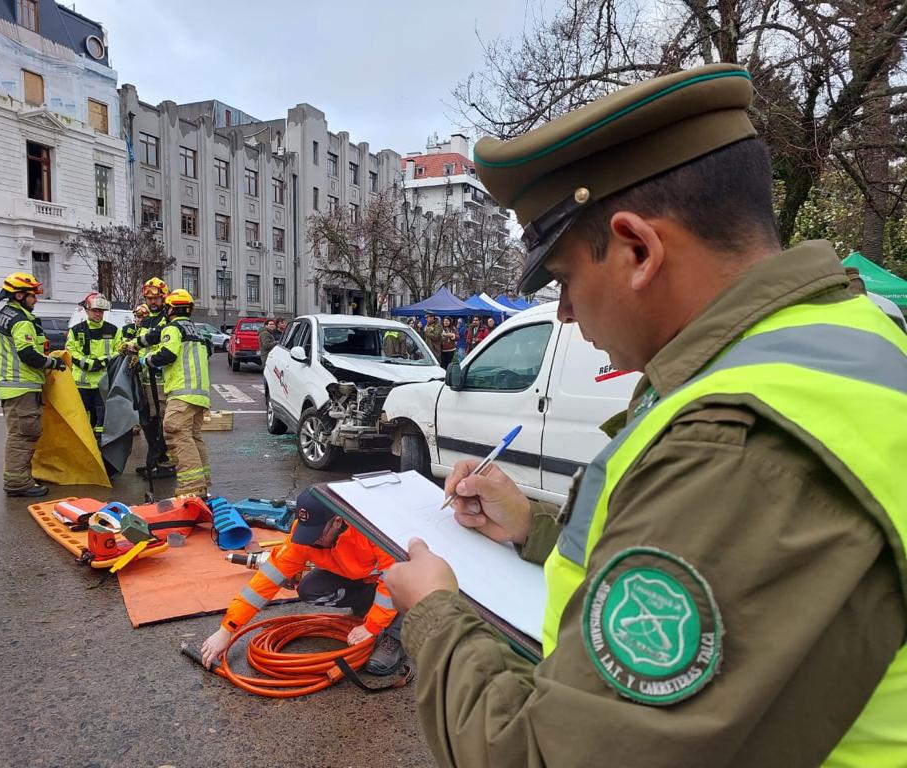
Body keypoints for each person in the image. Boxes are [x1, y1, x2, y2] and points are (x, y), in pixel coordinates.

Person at [384, 63, 907, 768]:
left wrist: (434, 613)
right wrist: (532, 528)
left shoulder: (736, 447)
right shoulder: (847, 334)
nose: (563, 312)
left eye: (564, 279)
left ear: (637, 249)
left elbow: (542, 758)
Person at [201, 488, 406, 676]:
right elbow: (264, 583)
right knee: (310, 589)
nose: (311, 540)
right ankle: (368, 608)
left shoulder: (369, 528)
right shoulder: (303, 535)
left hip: (401, 577)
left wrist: (372, 627)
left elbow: (393, 578)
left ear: (336, 521)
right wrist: (227, 629)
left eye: (317, 534)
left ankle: (395, 636)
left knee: (403, 589)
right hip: (361, 576)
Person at [0, 272, 66, 497]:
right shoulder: (20, 320)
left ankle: (20, 477)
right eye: (32, 296)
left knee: (19, 433)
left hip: (12, 386)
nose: (36, 300)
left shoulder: (4, 315)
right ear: (20, 295)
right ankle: (17, 482)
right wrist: (53, 362)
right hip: (21, 387)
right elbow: (29, 355)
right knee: (24, 435)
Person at [137, 288, 212, 497]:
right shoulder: (197, 331)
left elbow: (167, 354)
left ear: (170, 309)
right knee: (193, 436)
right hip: (199, 394)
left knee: (174, 431)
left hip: (182, 392)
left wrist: (147, 360)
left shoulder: (173, 328)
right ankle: (202, 485)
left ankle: (191, 489)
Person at [130, 277, 174, 478]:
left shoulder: (168, 319)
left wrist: (137, 348)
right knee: (149, 422)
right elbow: (142, 345)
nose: (152, 302)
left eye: (156, 298)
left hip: (163, 379)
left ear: (164, 298)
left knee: (164, 422)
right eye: (149, 298)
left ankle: (165, 461)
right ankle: (154, 460)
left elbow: (156, 343)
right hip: (147, 378)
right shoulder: (146, 320)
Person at [65, 292, 121, 442]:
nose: (98, 314)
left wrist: (102, 362)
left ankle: (101, 445)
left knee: (102, 418)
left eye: (101, 311)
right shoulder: (76, 330)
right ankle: (86, 444)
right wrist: (87, 363)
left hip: (103, 383)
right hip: (82, 384)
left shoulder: (113, 330)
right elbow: (71, 350)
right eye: (95, 311)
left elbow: (118, 350)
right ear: (87, 310)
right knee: (84, 417)